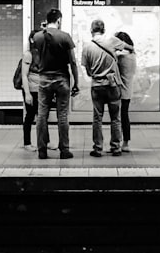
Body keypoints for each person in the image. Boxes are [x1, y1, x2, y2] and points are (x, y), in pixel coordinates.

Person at [32, 9, 78, 159]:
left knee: (42, 116)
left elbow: (37, 57)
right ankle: (64, 150)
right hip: (62, 79)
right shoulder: (65, 37)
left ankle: (42, 150)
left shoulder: (38, 37)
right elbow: (73, 62)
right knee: (62, 115)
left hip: (44, 78)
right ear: (59, 20)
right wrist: (76, 82)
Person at [80, 19, 124, 157]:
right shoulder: (111, 41)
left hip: (97, 86)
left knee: (97, 118)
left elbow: (87, 70)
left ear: (91, 30)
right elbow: (128, 47)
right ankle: (116, 147)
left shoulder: (87, 46)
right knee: (115, 118)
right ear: (104, 29)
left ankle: (98, 148)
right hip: (112, 85)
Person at [21, 30, 53, 151]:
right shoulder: (28, 55)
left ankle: (46, 141)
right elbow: (24, 75)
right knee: (30, 116)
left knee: (43, 116)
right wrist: (27, 93)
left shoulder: (43, 53)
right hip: (31, 89)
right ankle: (27, 143)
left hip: (42, 89)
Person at [113, 31, 137, 152]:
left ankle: (118, 142)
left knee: (118, 118)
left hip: (119, 91)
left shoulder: (120, 57)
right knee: (124, 116)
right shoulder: (133, 56)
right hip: (128, 90)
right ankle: (125, 142)